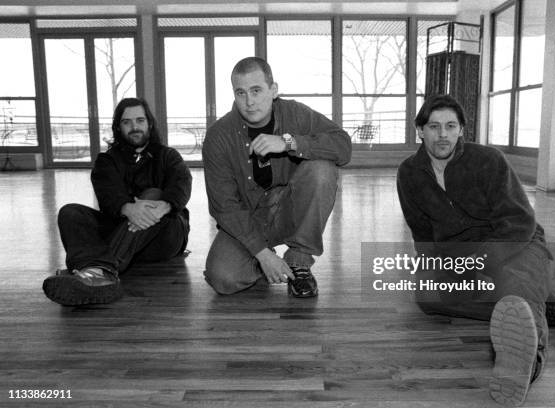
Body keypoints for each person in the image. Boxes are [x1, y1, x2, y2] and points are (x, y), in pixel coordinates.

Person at [396, 94, 555, 407]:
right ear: (420, 131)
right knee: (427, 295)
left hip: (516, 242)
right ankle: (546, 308)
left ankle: (525, 365)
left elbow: (519, 221)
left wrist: (484, 261)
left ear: (462, 129)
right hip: (460, 253)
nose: (442, 134)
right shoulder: (408, 174)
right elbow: (421, 231)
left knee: (511, 281)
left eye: (450, 126)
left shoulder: (488, 160)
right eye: (433, 126)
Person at [202, 57, 351, 298]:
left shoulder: (296, 114)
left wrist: (289, 142)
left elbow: (343, 147)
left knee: (322, 169)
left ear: (273, 90)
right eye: (240, 93)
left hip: (290, 208)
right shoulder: (218, 137)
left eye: (256, 90)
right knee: (223, 279)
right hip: (249, 218)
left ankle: (299, 263)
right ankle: (264, 258)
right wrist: (262, 253)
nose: (249, 102)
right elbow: (224, 206)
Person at [42, 97, 192, 306]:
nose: (134, 127)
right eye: (127, 122)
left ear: (149, 123)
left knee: (153, 196)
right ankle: (94, 274)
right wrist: (128, 208)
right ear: (118, 127)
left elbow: (182, 185)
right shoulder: (108, 160)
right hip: (119, 231)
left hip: (164, 235)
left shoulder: (168, 156)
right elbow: (108, 193)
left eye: (140, 120)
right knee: (70, 212)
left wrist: (162, 207)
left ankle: (99, 271)